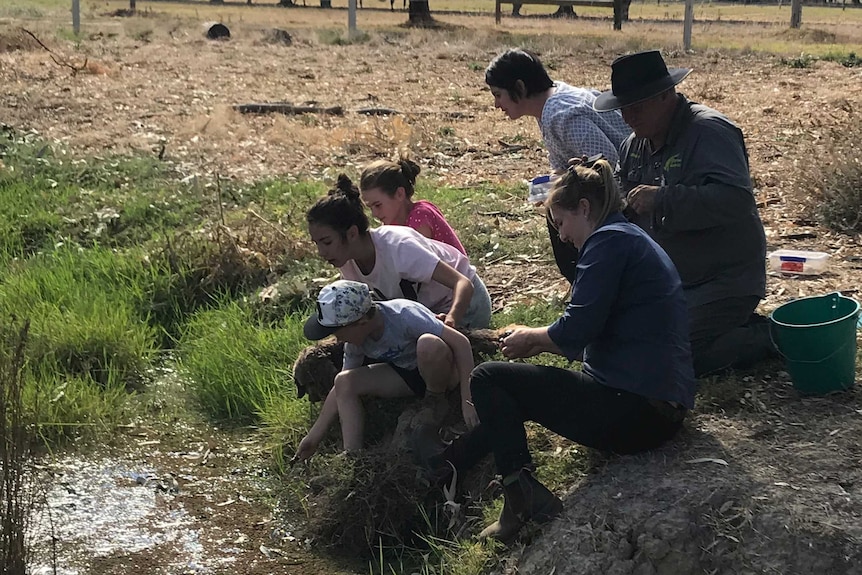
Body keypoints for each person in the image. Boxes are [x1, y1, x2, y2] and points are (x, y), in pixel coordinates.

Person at [421, 158, 696, 543]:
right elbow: (598, 327)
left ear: (584, 209)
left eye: (561, 222)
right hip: (655, 406)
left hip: (637, 412)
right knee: (508, 392)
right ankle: (452, 465)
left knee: (488, 377)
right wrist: (536, 340)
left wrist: (531, 336)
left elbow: (578, 328)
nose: (563, 237)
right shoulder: (625, 236)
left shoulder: (608, 242)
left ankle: (519, 496)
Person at [593, 50, 773, 377]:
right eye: (623, 110)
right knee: (621, 338)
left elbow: (735, 200)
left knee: (672, 356)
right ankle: (721, 324)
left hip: (723, 278)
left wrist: (663, 199)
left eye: (637, 107)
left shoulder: (709, 131)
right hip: (670, 280)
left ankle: (768, 337)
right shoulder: (634, 145)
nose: (629, 118)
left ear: (666, 95)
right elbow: (624, 200)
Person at [485, 48, 632, 283]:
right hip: (618, 183)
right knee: (548, 195)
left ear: (520, 88)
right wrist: (554, 182)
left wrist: (566, 182)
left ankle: (587, 280)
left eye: (498, 94)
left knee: (560, 207)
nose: (496, 104)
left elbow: (608, 160)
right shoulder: (551, 102)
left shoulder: (559, 114)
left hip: (628, 187)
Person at [293, 280, 477, 462]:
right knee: (343, 380)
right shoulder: (356, 341)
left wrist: (467, 400)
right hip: (406, 375)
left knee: (428, 343)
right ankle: (352, 454)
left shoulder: (404, 314)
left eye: (339, 332)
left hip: (442, 370)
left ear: (361, 321)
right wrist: (313, 436)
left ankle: (436, 400)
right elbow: (340, 388)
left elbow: (461, 343)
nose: (337, 338)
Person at [306, 174, 492, 329]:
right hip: (425, 313)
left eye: (327, 242)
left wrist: (451, 319)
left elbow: (463, 283)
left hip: (466, 305)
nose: (322, 252)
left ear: (352, 233)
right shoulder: (347, 261)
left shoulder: (398, 247)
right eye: (317, 244)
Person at [360, 156, 467, 255]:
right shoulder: (392, 224)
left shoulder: (420, 216)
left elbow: (419, 262)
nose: (374, 214)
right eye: (370, 208)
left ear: (399, 194)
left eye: (378, 205)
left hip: (456, 274)